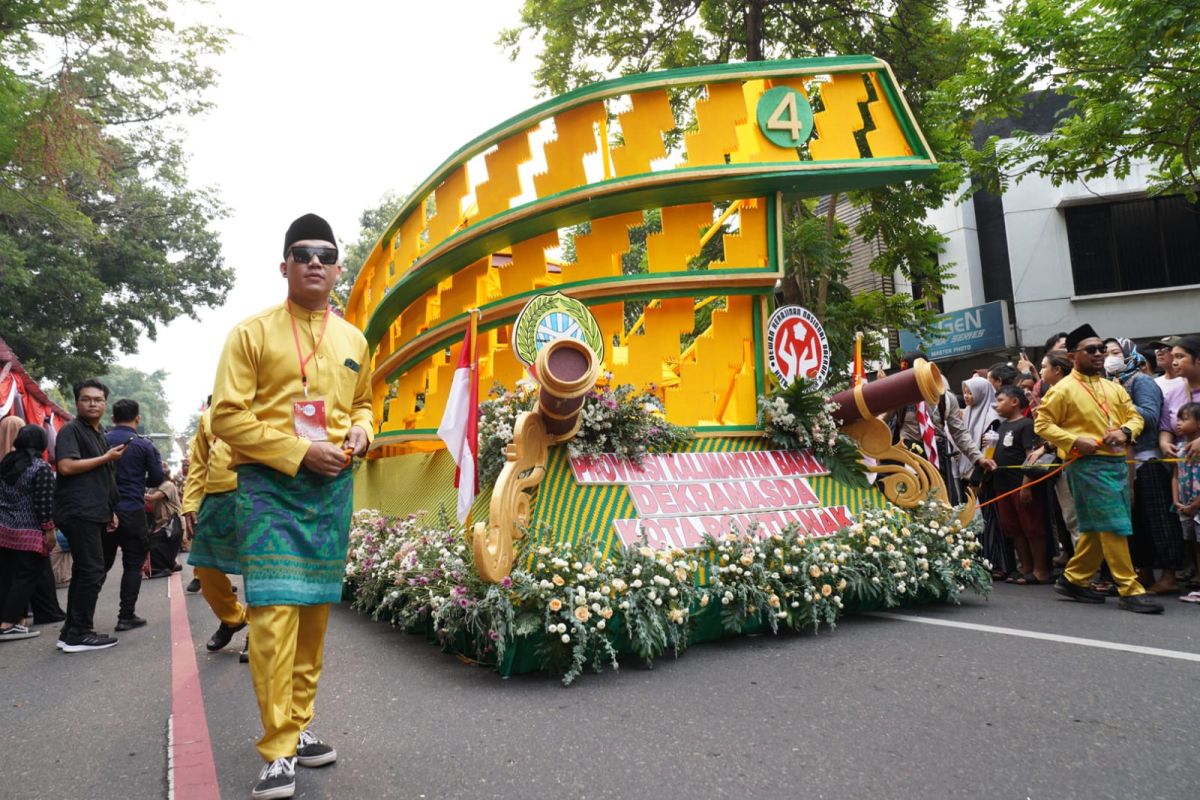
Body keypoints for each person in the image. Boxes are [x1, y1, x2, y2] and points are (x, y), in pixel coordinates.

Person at [210, 213, 373, 799]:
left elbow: (364, 403)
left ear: (336, 269)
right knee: (275, 616)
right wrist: (300, 451)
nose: (314, 262)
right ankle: (277, 747)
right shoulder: (251, 334)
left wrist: (361, 431)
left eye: (325, 255)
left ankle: (300, 725)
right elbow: (227, 416)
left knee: (314, 617)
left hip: (331, 493)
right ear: (284, 266)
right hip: (272, 489)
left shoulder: (354, 340)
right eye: (301, 253)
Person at [1034, 324, 1163, 613]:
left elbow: (1134, 416)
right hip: (1086, 464)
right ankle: (1129, 588)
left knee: (1096, 528)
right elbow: (1042, 424)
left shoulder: (1113, 387)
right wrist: (1074, 440)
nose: (1098, 354)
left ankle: (1073, 579)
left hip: (1117, 462)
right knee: (1115, 525)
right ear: (1071, 357)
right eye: (1090, 350)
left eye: (1101, 349)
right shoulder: (1062, 390)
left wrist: (1126, 432)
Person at [54, 379, 125, 651]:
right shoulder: (71, 430)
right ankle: (80, 632)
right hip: (77, 510)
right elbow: (66, 466)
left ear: (105, 404)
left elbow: (103, 478)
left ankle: (70, 630)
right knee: (93, 570)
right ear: (77, 402)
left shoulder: (99, 433)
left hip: (93, 510)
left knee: (86, 569)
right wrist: (106, 458)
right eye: (87, 399)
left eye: (98, 399)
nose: (93, 403)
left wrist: (110, 509)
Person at [1104, 338, 1180, 593]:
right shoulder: (1111, 384)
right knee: (1136, 522)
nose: (1109, 357)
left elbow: (1149, 415)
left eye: (1115, 352)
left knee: (1158, 519)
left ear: (1129, 354)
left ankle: (1169, 575)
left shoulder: (1141, 381)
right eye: (1106, 353)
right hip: (1124, 462)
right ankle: (1144, 571)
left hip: (1148, 460)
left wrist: (1120, 402)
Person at [182, 401, 249, 662]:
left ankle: (259, 633)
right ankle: (232, 618)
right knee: (205, 567)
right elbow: (199, 462)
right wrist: (190, 503)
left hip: (254, 492)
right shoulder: (208, 416)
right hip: (214, 499)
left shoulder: (266, 403)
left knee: (257, 567)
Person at [891, 351, 996, 506]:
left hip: (937, 457)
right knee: (909, 505)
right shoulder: (899, 395)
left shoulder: (946, 398)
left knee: (940, 504)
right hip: (908, 457)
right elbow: (880, 420)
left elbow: (959, 433)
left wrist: (978, 458)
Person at [103, 398, 165, 630]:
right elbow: (158, 478)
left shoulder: (101, 440)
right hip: (132, 510)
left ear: (112, 418)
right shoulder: (144, 445)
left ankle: (80, 619)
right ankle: (125, 616)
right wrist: (139, 481)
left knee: (98, 565)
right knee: (133, 563)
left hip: (105, 511)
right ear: (137, 418)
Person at [0, 425, 58, 640]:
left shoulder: (6, 463)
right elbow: (43, 504)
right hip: (29, 532)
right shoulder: (39, 467)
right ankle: (8, 624)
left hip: (3, 529)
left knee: (7, 576)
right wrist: (49, 530)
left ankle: (16, 620)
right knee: (25, 577)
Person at [991, 386, 1050, 583]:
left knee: (1032, 527)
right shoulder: (1001, 426)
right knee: (1013, 528)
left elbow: (1030, 457)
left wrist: (1026, 485)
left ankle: (1040, 570)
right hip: (1003, 485)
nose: (996, 405)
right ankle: (1025, 567)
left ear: (1014, 401)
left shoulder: (1026, 425)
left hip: (1021, 484)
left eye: (1000, 400)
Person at [1172, 404, 1200, 602]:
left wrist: (1195, 504)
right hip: (1185, 502)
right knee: (1192, 542)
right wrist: (1176, 499)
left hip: (1196, 503)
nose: (1179, 422)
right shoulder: (1180, 447)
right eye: (1179, 418)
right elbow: (1175, 475)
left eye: (1185, 419)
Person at [145, 468, 184, 577]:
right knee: (157, 542)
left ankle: (162, 568)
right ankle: (171, 563)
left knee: (156, 545)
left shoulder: (168, 485)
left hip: (174, 523)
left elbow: (152, 498)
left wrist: (133, 491)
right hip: (163, 524)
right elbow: (147, 503)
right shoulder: (153, 488)